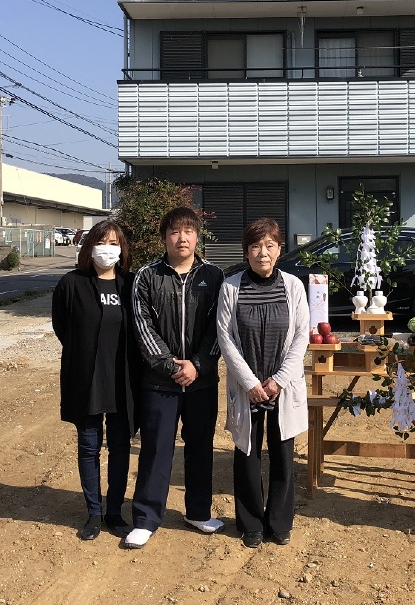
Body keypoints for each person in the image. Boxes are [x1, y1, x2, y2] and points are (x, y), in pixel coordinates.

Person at [123, 206, 225, 549]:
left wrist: (197, 364)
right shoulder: (147, 276)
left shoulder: (214, 277)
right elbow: (142, 327)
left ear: (197, 236)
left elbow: (218, 330)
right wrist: (170, 366)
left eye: (188, 231)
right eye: (174, 232)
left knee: (200, 446)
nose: (181, 238)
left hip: (202, 381)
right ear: (164, 238)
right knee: (156, 448)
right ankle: (146, 517)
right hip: (159, 381)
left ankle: (197, 511)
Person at [217, 218, 310, 549]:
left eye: (269, 245)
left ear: (279, 249)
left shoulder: (294, 286)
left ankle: (280, 522)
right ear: (246, 251)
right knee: (248, 453)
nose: (262, 252)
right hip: (248, 387)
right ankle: (251, 522)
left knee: (283, 454)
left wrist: (279, 380)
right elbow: (225, 338)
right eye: (255, 246)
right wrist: (250, 382)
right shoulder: (230, 287)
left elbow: (301, 336)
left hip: (281, 386)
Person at [52, 220, 139, 541]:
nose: (108, 248)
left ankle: (114, 511)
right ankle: (93, 513)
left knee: (119, 447)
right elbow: (63, 327)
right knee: (88, 446)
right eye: (102, 242)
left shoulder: (131, 285)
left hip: (122, 380)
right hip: (86, 378)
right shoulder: (71, 284)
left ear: (122, 249)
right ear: (90, 246)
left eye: (115, 243)